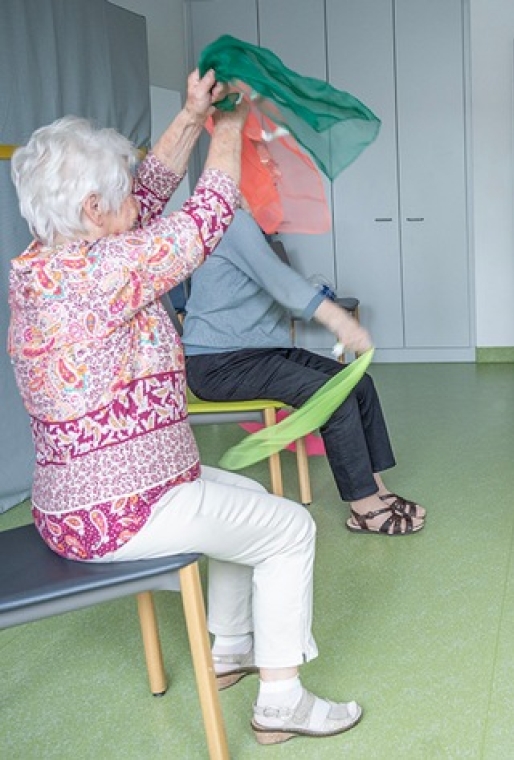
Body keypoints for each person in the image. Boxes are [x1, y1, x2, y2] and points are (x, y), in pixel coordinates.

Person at [7, 71, 362, 744]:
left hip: (82, 504)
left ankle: (228, 649)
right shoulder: (106, 272)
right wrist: (229, 125)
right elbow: (205, 218)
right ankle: (281, 701)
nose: (132, 201)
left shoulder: (44, 263)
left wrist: (191, 114)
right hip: (124, 512)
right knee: (289, 530)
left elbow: (139, 198)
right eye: (113, 198)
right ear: (89, 210)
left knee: (238, 501)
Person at [181, 208, 425, 536]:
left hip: (261, 352)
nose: (277, 178)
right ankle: (364, 508)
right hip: (221, 363)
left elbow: (273, 288)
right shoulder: (232, 222)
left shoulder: (254, 229)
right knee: (334, 397)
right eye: (267, 167)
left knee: (359, 385)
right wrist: (338, 320)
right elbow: (280, 283)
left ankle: (376, 489)